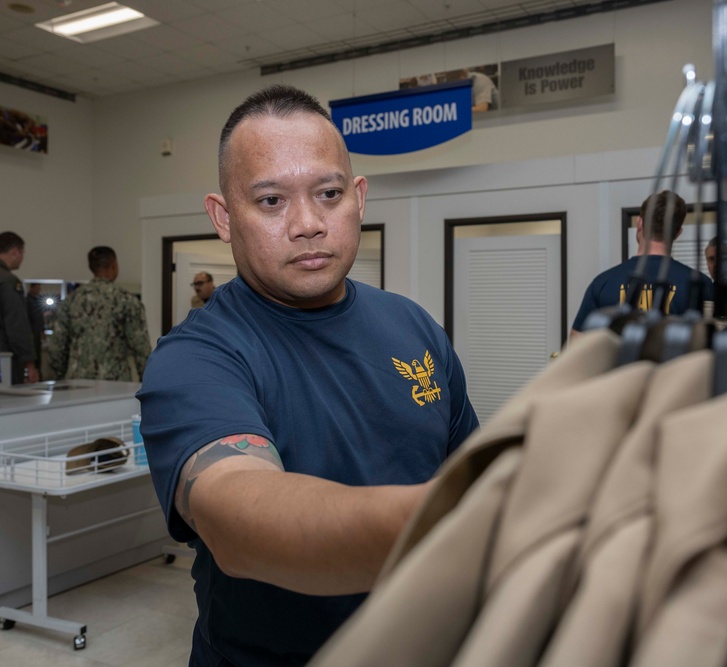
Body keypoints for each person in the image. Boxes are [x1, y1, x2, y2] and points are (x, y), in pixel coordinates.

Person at [137, 84, 479, 666]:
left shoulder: (414, 326)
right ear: (223, 218)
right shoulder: (196, 357)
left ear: (359, 198)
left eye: (328, 193)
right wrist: (474, 527)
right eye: (271, 201)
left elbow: (466, 468)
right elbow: (243, 516)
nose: (308, 223)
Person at [571, 190, 714, 336]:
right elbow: (711, 348)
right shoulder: (700, 284)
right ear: (678, 233)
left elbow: (576, 345)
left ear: (640, 223)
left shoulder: (602, 283)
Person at [48, 246, 151, 382]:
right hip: (116, 384)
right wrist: (149, 384)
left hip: (77, 383)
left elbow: (56, 346)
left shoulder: (71, 300)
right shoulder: (127, 300)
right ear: (114, 265)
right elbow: (141, 348)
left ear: (91, 267)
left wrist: (60, 377)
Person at [0, 232, 38, 384]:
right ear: (15, 251)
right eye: (22, 253)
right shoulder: (8, 281)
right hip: (4, 361)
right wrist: (29, 364)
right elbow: (17, 327)